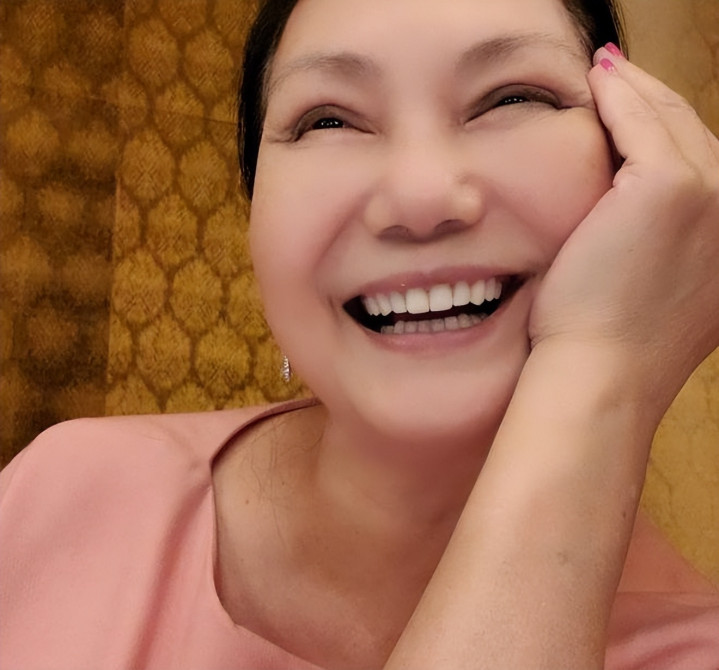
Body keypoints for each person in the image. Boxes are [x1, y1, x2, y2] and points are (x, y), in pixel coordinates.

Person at [1, 0, 718, 668]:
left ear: (635, 159)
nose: (419, 195)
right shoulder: (65, 495)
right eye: (328, 121)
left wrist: (598, 362)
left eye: (511, 99)